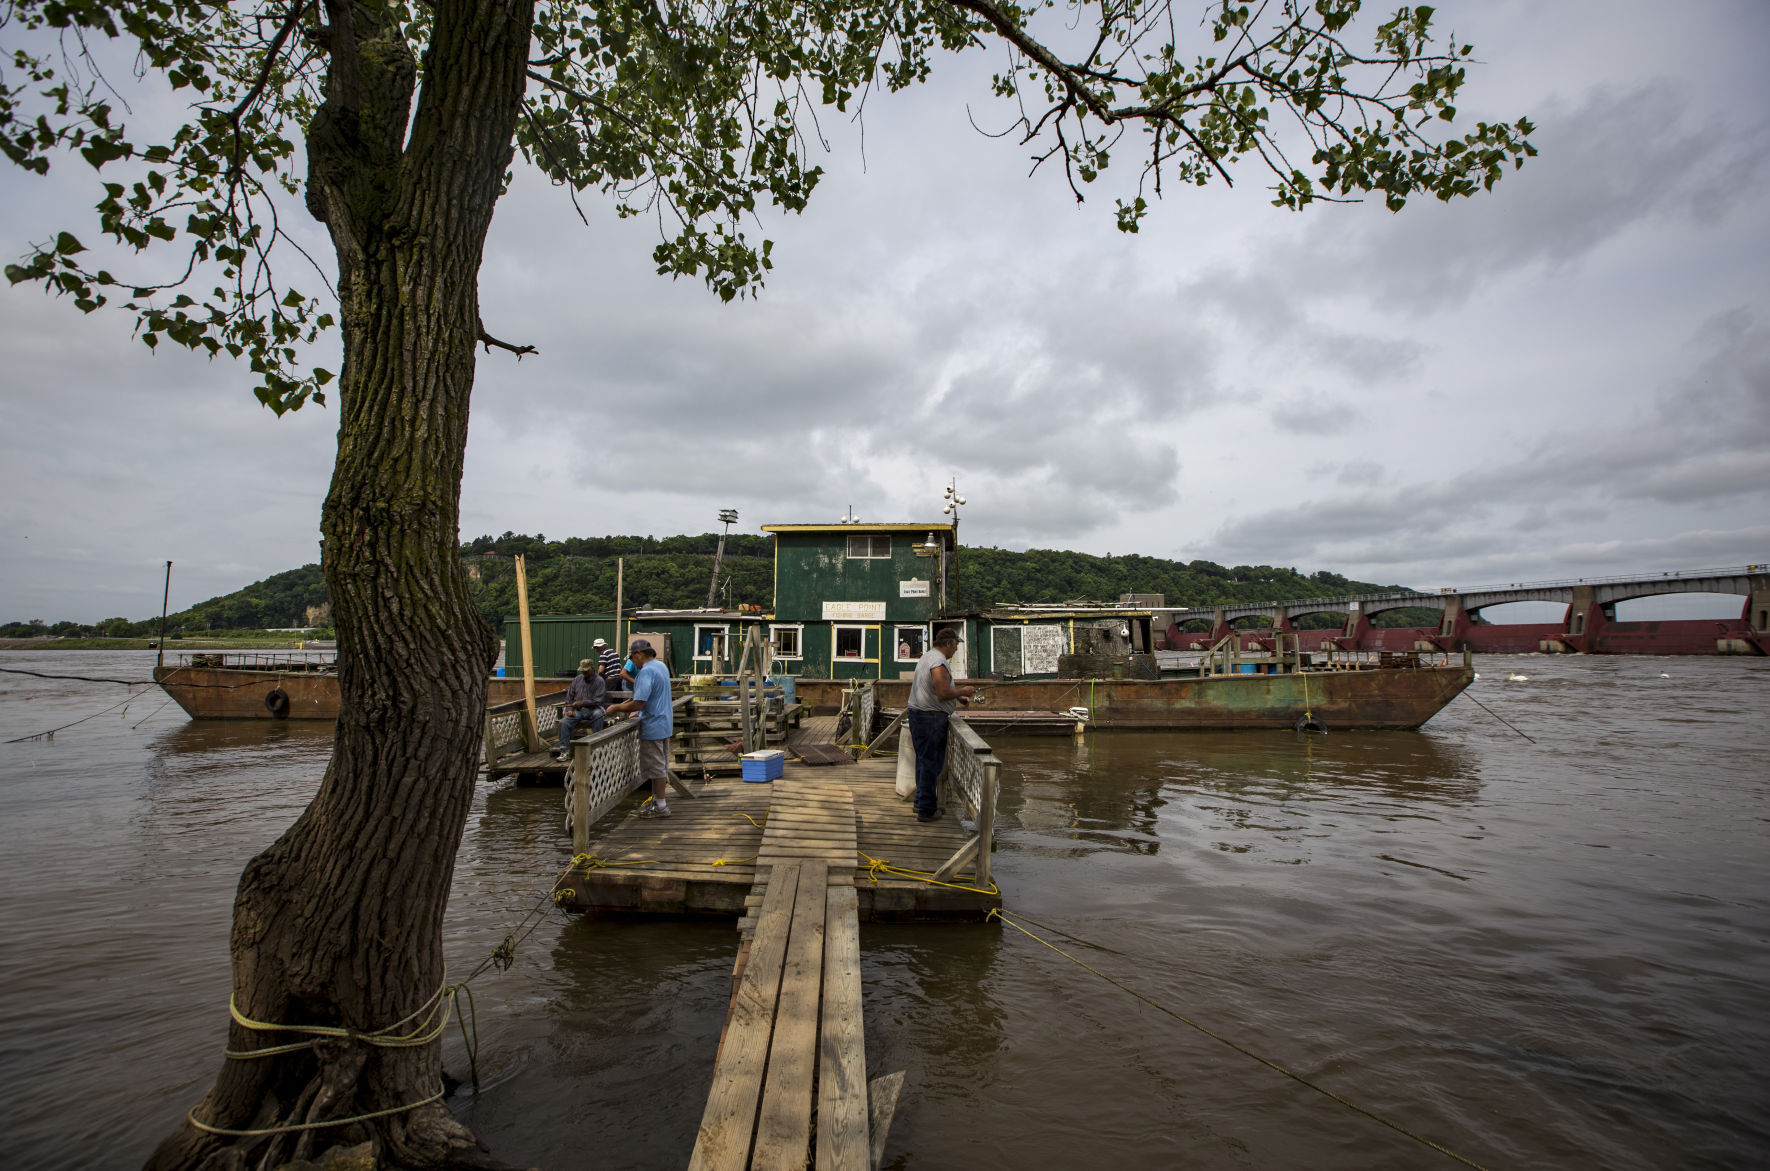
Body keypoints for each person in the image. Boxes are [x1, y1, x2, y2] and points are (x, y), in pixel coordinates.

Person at [906, 627, 975, 823]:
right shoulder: (938, 662)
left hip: (919, 715)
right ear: (949, 643)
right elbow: (943, 692)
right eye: (955, 646)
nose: (955, 650)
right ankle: (927, 810)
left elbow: (937, 689)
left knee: (923, 761)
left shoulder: (928, 656)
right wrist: (965, 690)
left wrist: (957, 696)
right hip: (930, 719)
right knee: (931, 764)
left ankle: (921, 802)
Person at [605, 639, 675, 818]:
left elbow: (639, 703)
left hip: (652, 725)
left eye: (633, 658)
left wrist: (616, 708)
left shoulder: (646, 672)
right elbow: (646, 697)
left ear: (638, 655)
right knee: (661, 765)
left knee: (656, 767)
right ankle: (657, 802)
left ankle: (661, 807)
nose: (633, 663)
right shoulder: (661, 667)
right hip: (665, 723)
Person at [553, 657, 607, 761]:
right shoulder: (577, 679)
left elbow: (598, 700)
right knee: (563, 722)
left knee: (598, 715)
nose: (584, 672)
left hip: (594, 708)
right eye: (582, 670)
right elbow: (569, 697)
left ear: (592, 668)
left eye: (586, 670)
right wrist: (569, 709)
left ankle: (595, 748)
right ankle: (565, 751)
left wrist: (582, 703)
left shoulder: (600, 681)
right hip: (578, 711)